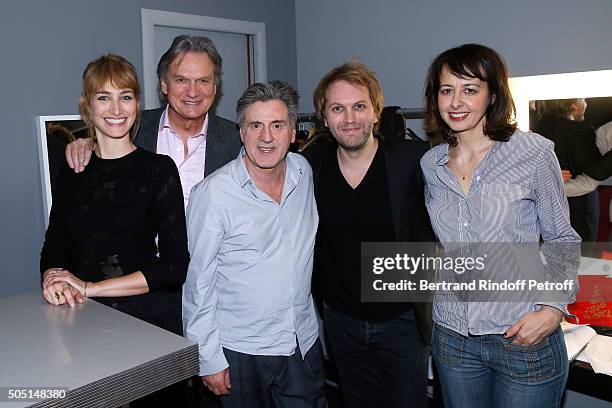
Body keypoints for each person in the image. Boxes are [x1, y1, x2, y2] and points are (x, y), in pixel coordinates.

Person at [420, 43, 580, 408]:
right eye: (447, 90)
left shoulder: (533, 153)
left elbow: (560, 237)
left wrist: (553, 309)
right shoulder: (430, 164)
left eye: (470, 89)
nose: (456, 102)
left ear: (492, 94)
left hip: (522, 335)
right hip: (453, 337)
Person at [183, 80, 326, 407]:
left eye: (277, 125)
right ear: (241, 131)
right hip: (241, 351)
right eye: (256, 125)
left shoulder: (303, 173)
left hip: (301, 343)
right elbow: (197, 283)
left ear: (293, 132)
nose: (266, 137)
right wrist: (209, 357)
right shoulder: (213, 194)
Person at [304, 60, 433, 408]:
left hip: (403, 321)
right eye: (338, 108)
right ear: (325, 117)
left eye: (359, 106)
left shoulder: (414, 160)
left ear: (376, 112)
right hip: (340, 321)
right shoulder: (309, 167)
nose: (349, 118)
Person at [65, 35, 242, 208]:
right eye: (181, 80)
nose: (193, 92)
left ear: (215, 87)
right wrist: (88, 144)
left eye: (203, 81)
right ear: (164, 84)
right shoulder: (131, 128)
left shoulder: (237, 142)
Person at [536, 98, 612, 241]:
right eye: (583, 100)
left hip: (543, 208)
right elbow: (597, 171)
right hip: (577, 210)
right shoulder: (578, 131)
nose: (586, 104)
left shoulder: (535, 128)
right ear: (573, 106)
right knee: (583, 260)